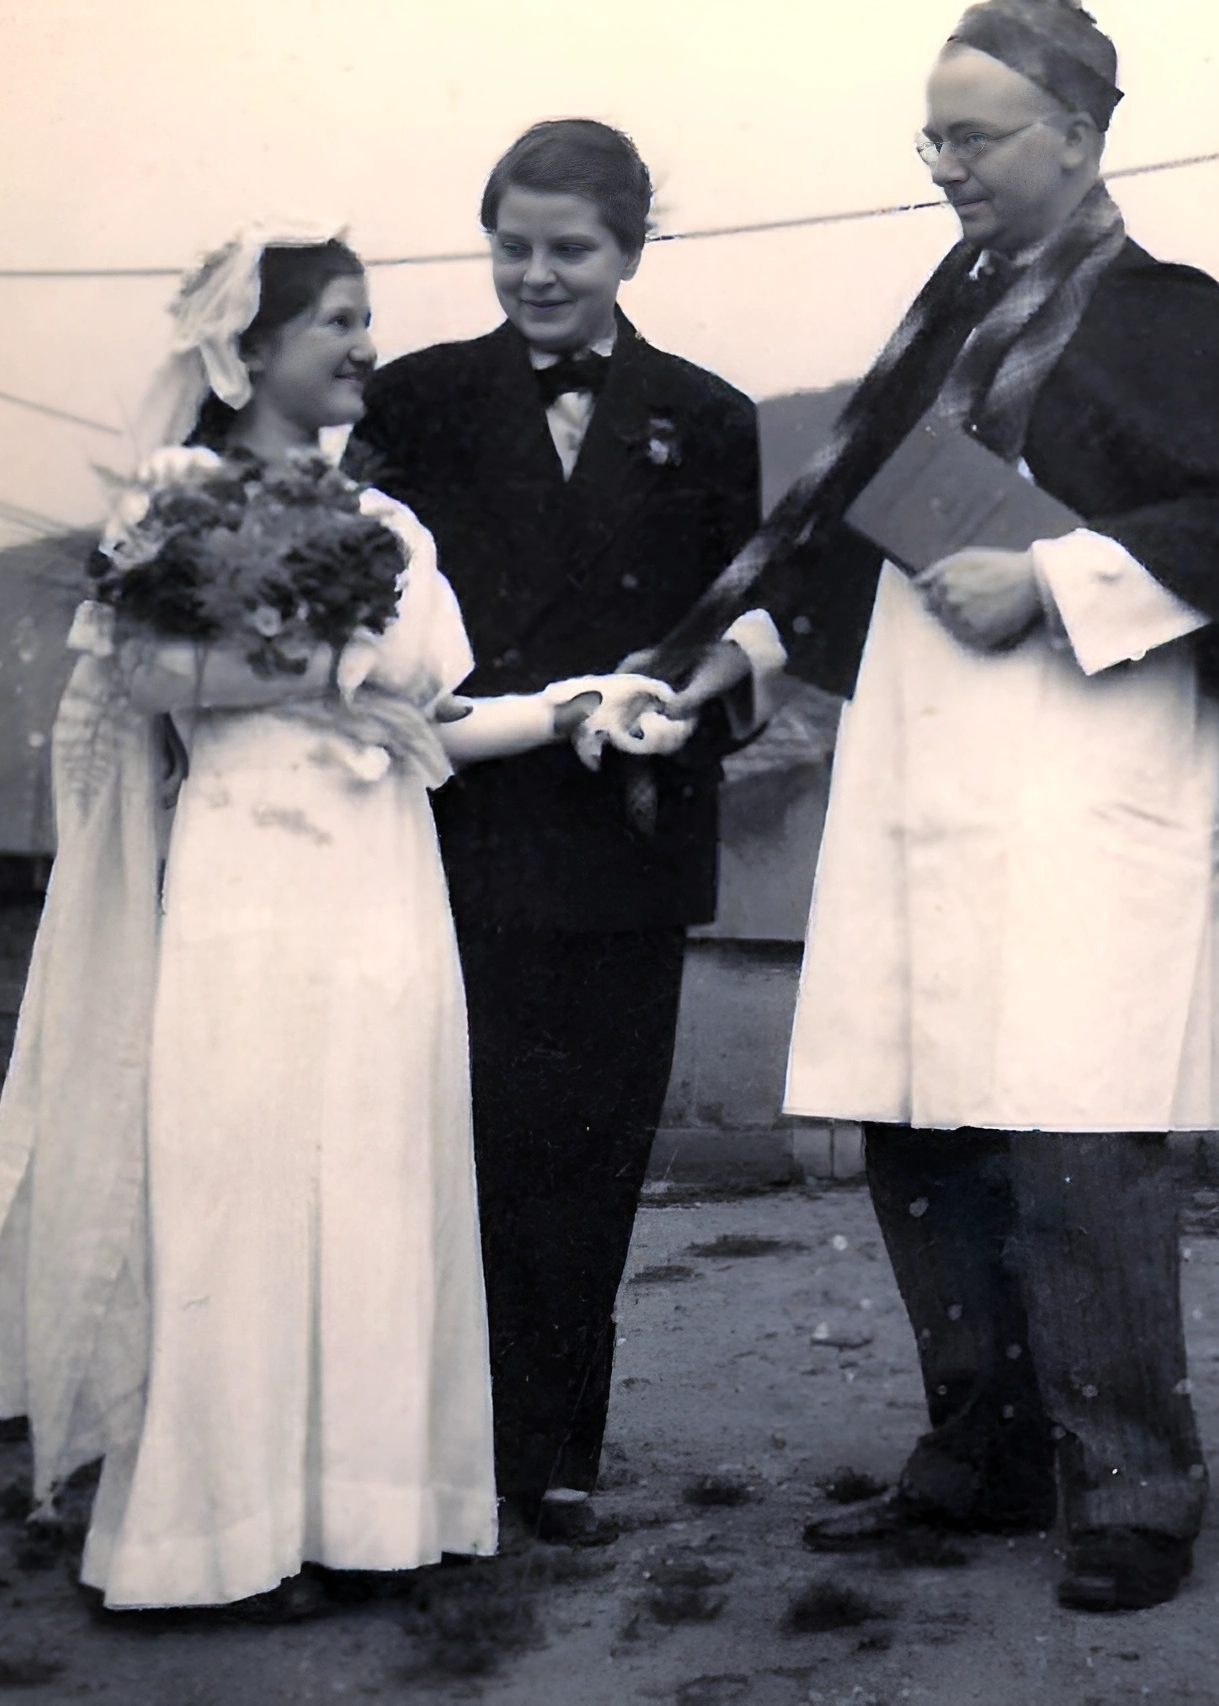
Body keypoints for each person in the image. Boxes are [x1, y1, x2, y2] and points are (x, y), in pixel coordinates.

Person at [649, 0, 1219, 1614]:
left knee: (1078, 1134)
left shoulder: (1166, 314)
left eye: (975, 136)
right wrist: (738, 651)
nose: (944, 165)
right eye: (932, 137)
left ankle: (1133, 1486)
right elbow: (839, 539)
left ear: (1078, 136)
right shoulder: (945, 321)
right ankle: (985, 1447)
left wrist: (1057, 575)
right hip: (919, 771)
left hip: (1080, 776)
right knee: (924, 1124)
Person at [0, 229, 658, 1608]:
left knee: (377, 1168)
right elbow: (144, 681)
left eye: (366, 319)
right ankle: (221, 1539)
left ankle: (366, 1519)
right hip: (248, 873)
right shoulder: (178, 499)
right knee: (245, 1177)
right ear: (251, 349)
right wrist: (305, 662)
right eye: (336, 321)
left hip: (382, 879)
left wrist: (573, 706)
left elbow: (433, 718)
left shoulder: (391, 525)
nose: (363, 346)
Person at [349, 120, 775, 1547]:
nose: (536, 275)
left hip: (626, 839)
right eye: (512, 246)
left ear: (631, 252)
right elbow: (365, 620)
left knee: (594, 1152)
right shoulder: (416, 400)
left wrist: (681, 707)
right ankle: (450, 1451)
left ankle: (557, 1457)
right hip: (460, 823)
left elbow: (738, 623)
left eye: (570, 249)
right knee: (459, 1140)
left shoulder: (708, 416)